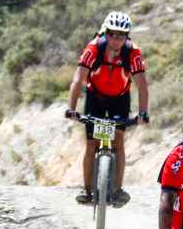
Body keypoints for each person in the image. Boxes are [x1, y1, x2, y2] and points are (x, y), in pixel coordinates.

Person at [64, 11, 150, 206]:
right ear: (106, 33)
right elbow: (78, 79)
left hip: (120, 99)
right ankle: (86, 190)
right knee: (92, 143)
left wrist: (143, 112)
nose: (116, 39)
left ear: (127, 36)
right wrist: (71, 108)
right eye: (112, 34)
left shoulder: (133, 52)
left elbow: (142, 85)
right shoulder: (94, 48)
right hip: (95, 97)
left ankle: (118, 190)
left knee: (118, 143)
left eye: (121, 35)